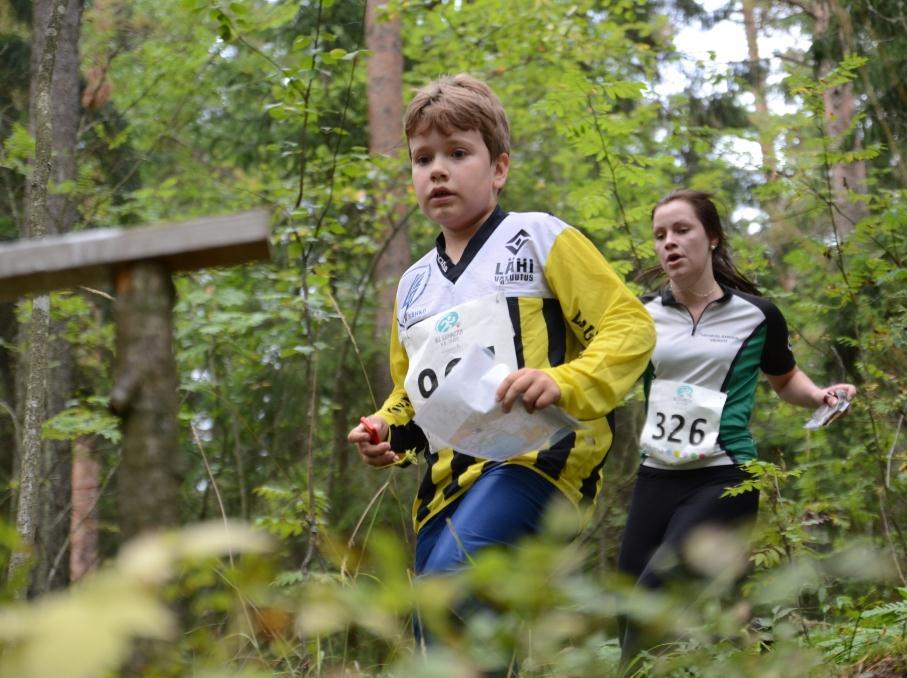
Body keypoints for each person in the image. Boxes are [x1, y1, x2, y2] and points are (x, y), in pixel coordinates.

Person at [348, 74, 654, 587]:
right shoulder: (412, 284)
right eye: (423, 159)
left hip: (540, 458)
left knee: (450, 585)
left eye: (458, 153)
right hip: (446, 485)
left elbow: (629, 327)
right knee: (440, 631)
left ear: (499, 168)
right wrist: (385, 430)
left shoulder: (538, 237)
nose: (438, 171)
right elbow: (413, 392)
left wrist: (565, 381)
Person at [617, 189, 856, 664]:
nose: (669, 243)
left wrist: (821, 396)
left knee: (656, 598)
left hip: (724, 476)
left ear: (711, 237)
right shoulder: (642, 317)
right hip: (655, 476)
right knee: (629, 608)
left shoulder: (757, 314)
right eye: (660, 235)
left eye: (682, 230)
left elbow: (785, 379)